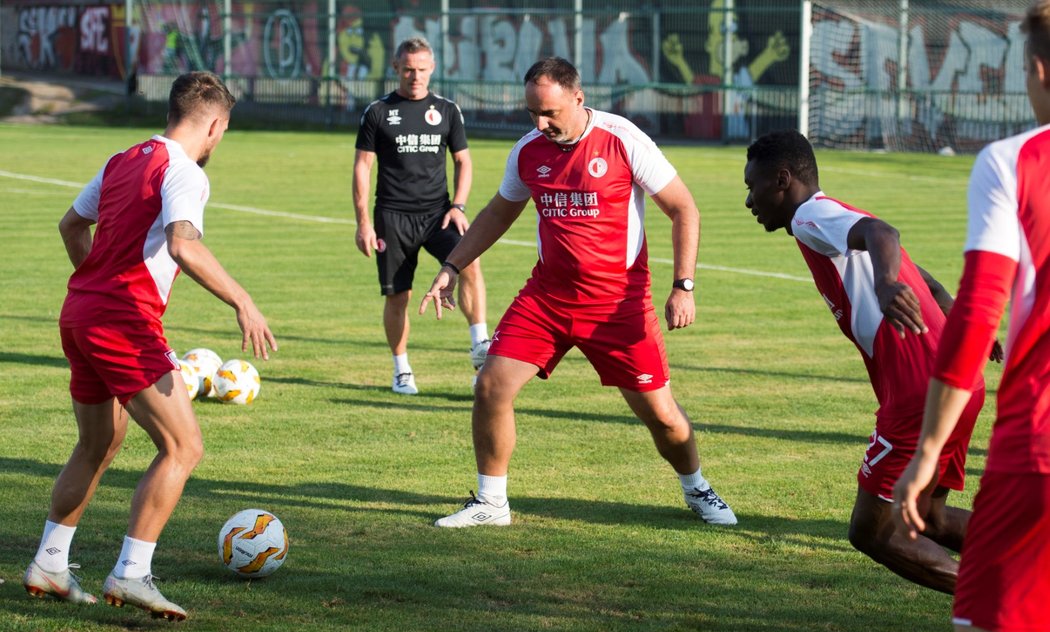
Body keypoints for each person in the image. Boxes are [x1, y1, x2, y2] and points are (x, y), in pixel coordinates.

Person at [419, 57, 736, 528]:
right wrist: (451, 265)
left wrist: (683, 286)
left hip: (618, 306)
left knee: (663, 417)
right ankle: (492, 503)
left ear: (577, 98)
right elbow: (497, 214)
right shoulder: (527, 151)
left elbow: (684, 209)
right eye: (532, 113)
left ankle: (697, 488)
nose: (540, 123)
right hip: (547, 299)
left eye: (549, 113)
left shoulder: (622, 139)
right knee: (490, 386)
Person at [23, 71, 277, 621]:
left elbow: (71, 226)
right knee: (183, 446)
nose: (219, 142)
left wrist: (96, 287)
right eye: (223, 132)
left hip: (80, 313)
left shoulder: (123, 158)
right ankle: (132, 573)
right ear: (213, 124)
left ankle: (49, 561)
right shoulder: (184, 171)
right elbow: (184, 247)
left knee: (97, 445)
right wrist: (243, 301)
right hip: (122, 322)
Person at [743, 128, 999, 593]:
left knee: (872, 531)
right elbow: (929, 283)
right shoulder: (836, 215)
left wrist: (883, 286)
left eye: (751, 186)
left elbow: (884, 233)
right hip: (959, 379)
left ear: (781, 180)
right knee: (929, 516)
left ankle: (1006, 605)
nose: (748, 200)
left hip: (920, 391)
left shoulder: (810, 217)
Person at [894, 3, 1050, 632]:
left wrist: (927, 453)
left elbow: (978, 310)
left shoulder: (1013, 161)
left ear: (1038, 71)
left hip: (1035, 452)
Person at [353, 36, 489, 395]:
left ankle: (479, 345)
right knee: (399, 297)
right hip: (392, 217)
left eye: (422, 70)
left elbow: (463, 161)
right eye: (409, 69)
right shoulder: (378, 112)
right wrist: (363, 222)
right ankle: (402, 370)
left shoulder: (447, 110)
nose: (416, 76)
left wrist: (458, 206)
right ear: (396, 68)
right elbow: (362, 167)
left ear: (432, 70)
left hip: (438, 216)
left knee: (469, 263)